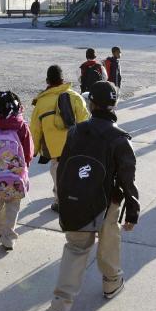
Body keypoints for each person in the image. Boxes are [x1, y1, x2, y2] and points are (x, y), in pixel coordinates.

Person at [50, 81, 139, 311]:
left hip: (76, 200)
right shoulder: (119, 139)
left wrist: (61, 197)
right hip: (106, 203)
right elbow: (127, 179)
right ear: (115, 104)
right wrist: (132, 209)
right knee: (109, 244)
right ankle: (111, 284)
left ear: (91, 104)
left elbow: (63, 168)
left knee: (76, 248)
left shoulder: (75, 132)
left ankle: (61, 303)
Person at [29, 65, 90, 212]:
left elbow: (35, 130)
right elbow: (85, 122)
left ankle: (60, 201)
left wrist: (33, 150)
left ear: (47, 81)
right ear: (63, 80)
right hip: (75, 145)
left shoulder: (41, 103)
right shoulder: (75, 97)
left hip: (54, 148)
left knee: (57, 172)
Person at [0, 91, 33, 250]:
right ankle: (8, 237)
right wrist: (24, 167)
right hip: (17, 173)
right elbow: (28, 152)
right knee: (13, 203)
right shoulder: (21, 126)